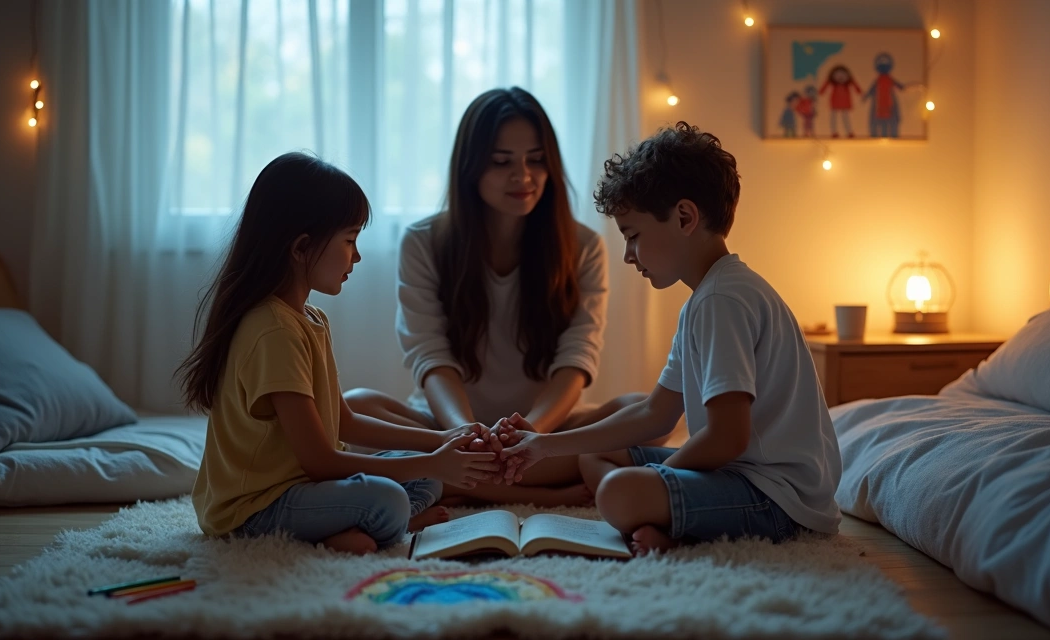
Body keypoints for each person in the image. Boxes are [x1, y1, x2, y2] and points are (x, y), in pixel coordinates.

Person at [495, 122, 843, 555]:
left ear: (683, 217)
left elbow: (727, 438)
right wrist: (544, 446)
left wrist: (662, 480)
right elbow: (654, 413)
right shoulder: (705, 299)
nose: (627, 255)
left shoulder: (724, 300)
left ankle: (671, 526)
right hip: (740, 474)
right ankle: (668, 519)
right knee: (597, 458)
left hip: (777, 499)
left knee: (621, 491)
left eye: (633, 236)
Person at [177, 152, 499, 555]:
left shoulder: (310, 319)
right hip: (252, 509)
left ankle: (359, 527)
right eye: (349, 240)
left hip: (304, 490)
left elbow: (343, 422)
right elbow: (322, 462)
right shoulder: (272, 329)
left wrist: (439, 440)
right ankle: (381, 525)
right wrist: (432, 460)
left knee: (425, 477)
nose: (357, 256)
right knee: (391, 497)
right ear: (301, 247)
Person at [344, 87, 648, 506]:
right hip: (447, 428)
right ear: (470, 168)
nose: (523, 176)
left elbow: (576, 361)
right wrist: (464, 434)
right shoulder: (423, 242)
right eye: (502, 161)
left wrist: (533, 437)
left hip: (545, 431)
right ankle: (544, 491)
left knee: (640, 410)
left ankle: (458, 483)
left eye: (536, 160)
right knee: (353, 407)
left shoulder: (584, 246)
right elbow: (431, 357)